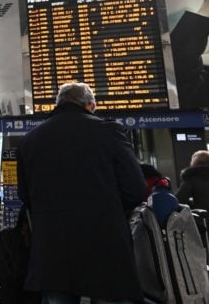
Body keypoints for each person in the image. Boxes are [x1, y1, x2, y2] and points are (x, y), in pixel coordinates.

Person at [17, 82, 146, 304]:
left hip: (52, 247)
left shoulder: (30, 140)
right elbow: (136, 188)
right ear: (90, 105)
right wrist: (110, 209)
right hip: (105, 242)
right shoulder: (108, 131)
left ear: (57, 104)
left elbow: (25, 194)